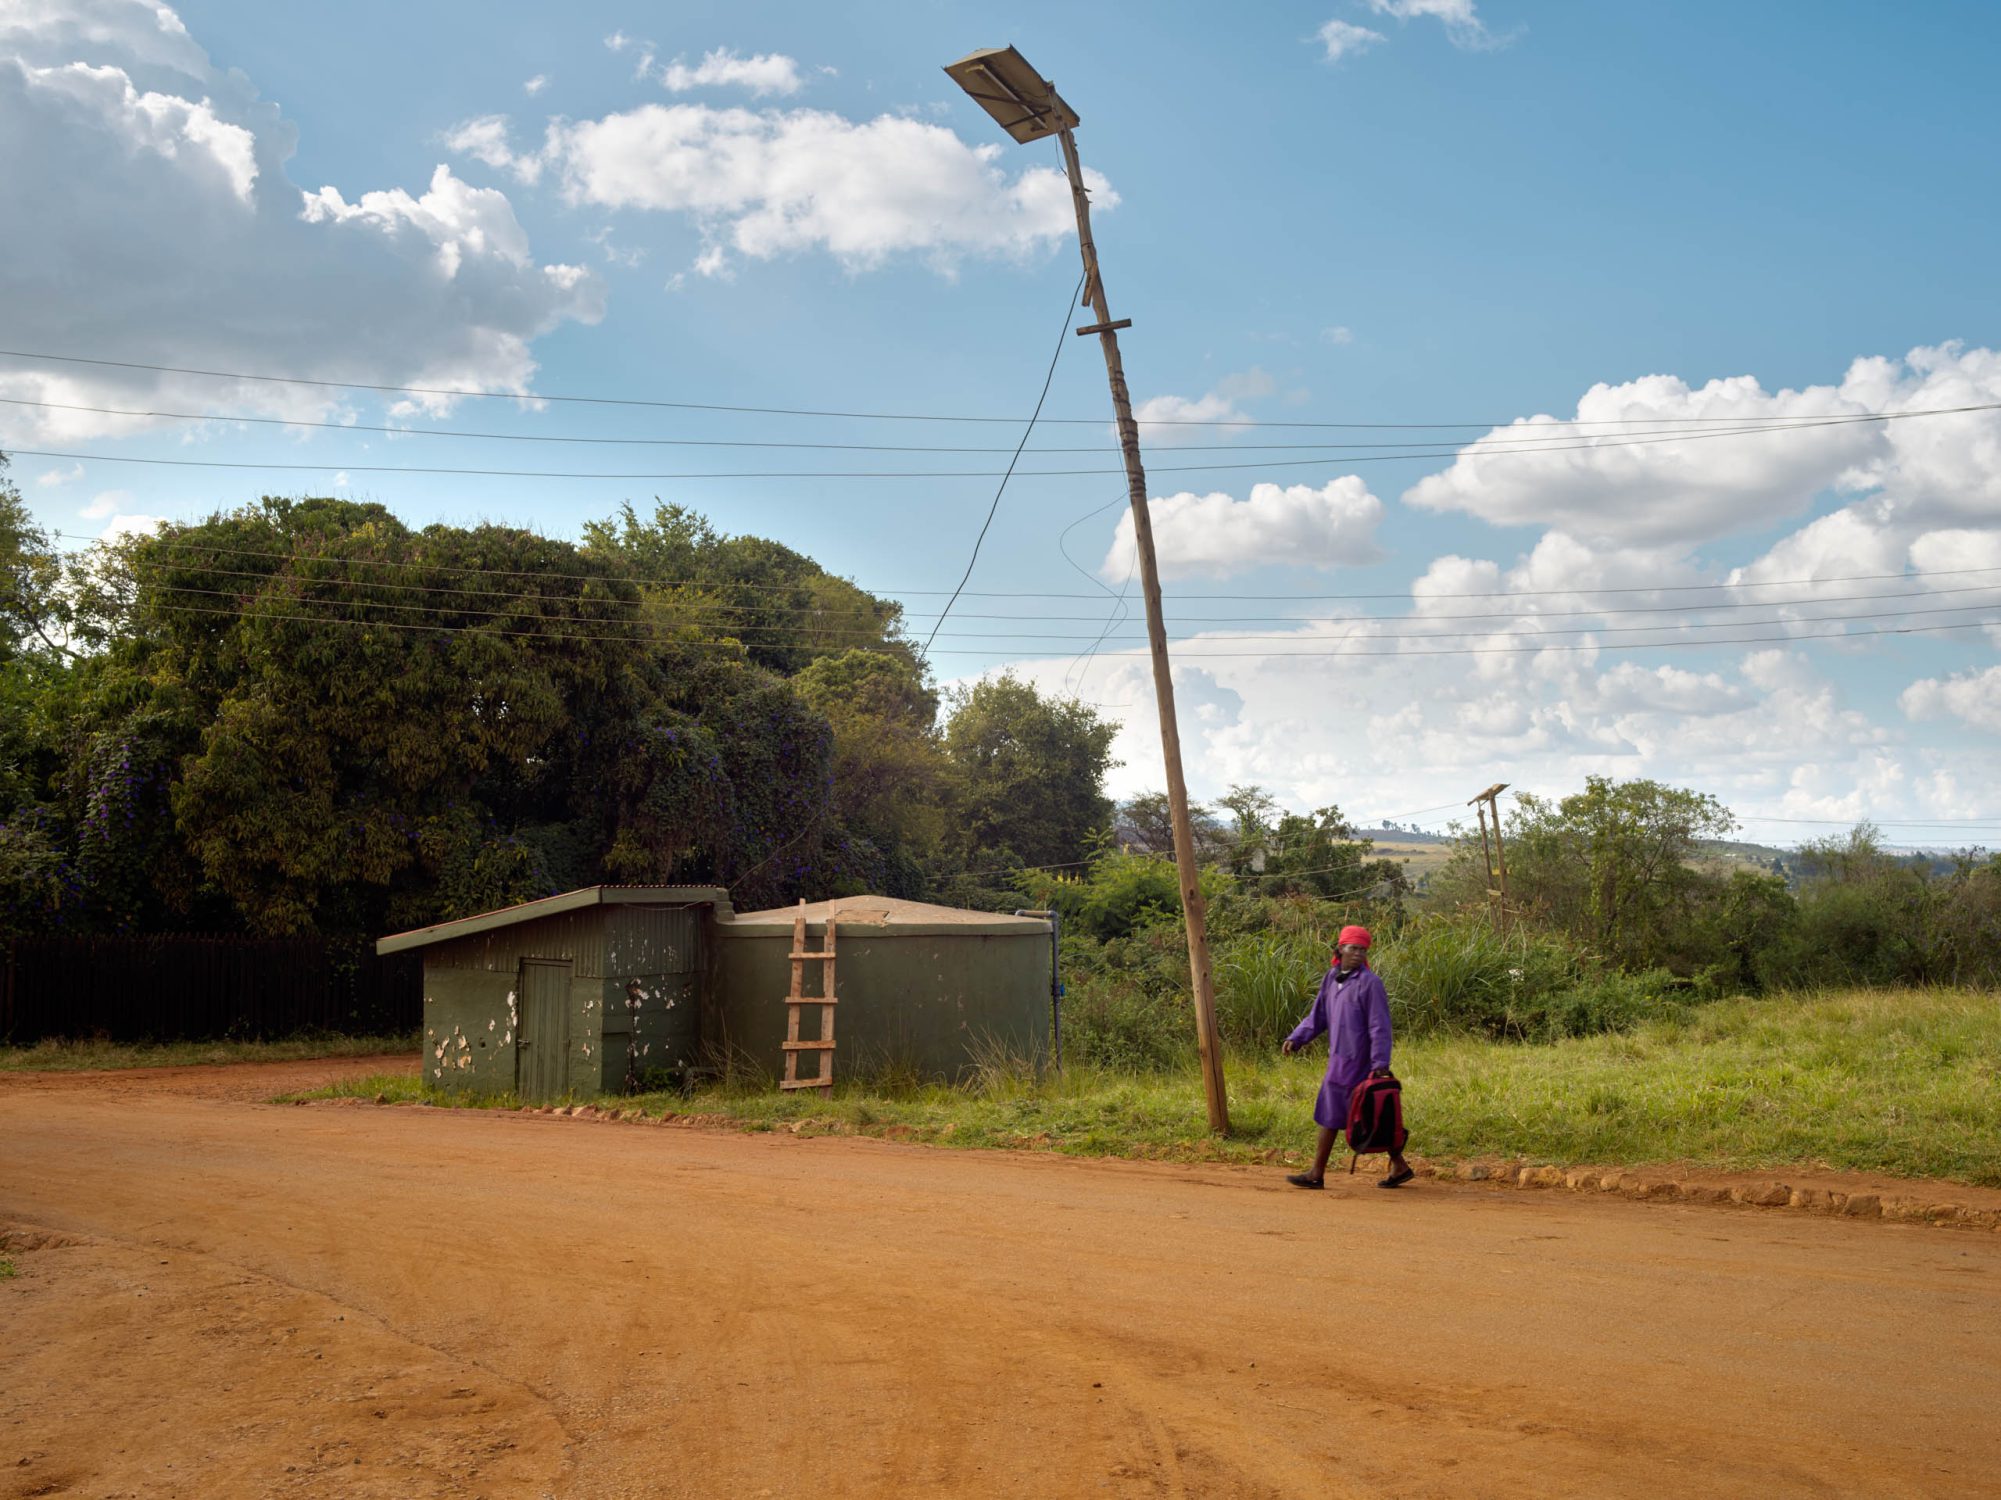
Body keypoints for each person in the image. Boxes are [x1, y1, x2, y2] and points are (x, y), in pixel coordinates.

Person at [1280, 924, 1413, 1189]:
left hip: (1362, 1063)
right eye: (1353, 948)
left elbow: (1380, 1026)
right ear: (1340, 949)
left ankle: (1317, 1173)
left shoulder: (1370, 984)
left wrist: (1380, 1064)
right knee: (1358, 1115)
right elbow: (1318, 1016)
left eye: (1363, 950)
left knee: (1368, 1115)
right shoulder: (1331, 978)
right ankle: (1398, 1165)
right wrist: (1297, 1037)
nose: (1358, 954)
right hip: (1340, 1059)